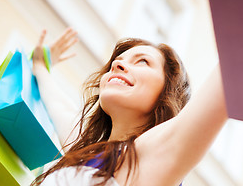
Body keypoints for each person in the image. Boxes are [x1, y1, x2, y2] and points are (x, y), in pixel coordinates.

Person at [31, 28, 227, 186]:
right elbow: (59, 106)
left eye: (142, 61)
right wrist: (40, 64)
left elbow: (224, 81)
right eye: (116, 62)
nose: (117, 64)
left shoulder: (154, 156)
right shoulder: (86, 149)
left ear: (167, 92)